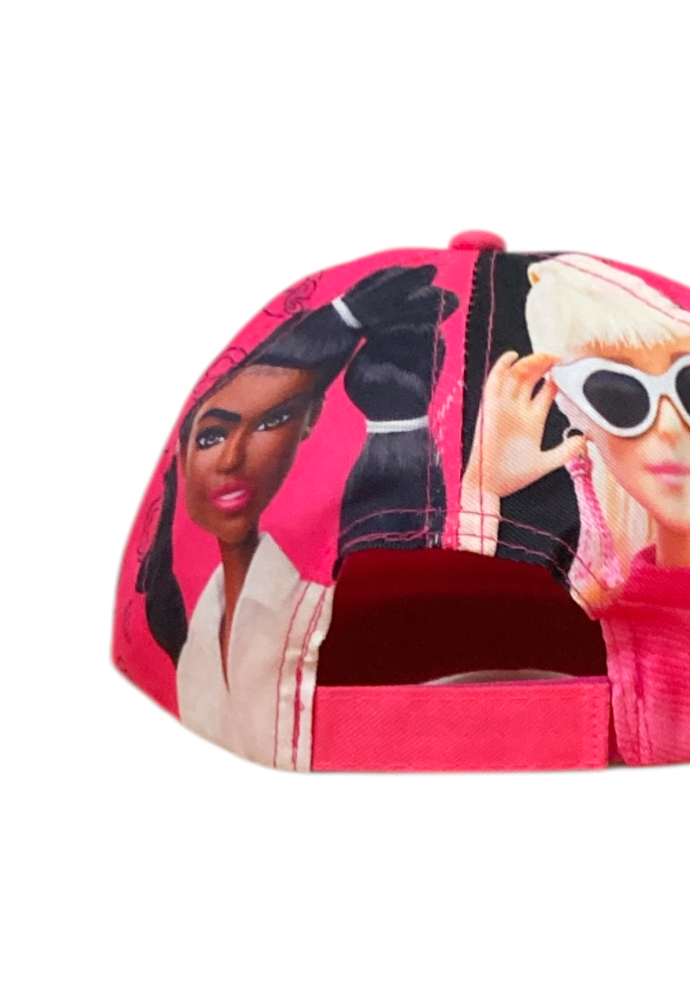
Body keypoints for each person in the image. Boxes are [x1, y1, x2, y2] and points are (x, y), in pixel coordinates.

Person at [461, 254, 690, 764]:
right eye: (618, 394)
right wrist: (486, 495)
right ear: (576, 413)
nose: (669, 425)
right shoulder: (579, 600)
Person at [136, 265, 456, 768]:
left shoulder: (319, 613)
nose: (231, 459)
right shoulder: (193, 622)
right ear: (182, 448)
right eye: (212, 435)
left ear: (310, 422)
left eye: (272, 421)